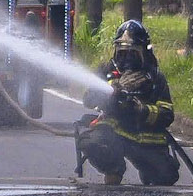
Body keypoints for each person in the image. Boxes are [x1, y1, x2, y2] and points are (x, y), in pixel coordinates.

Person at [76, 21, 180, 186]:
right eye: (122, 52)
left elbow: (167, 114)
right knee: (91, 142)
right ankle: (113, 169)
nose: (126, 58)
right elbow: (89, 99)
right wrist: (115, 90)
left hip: (145, 138)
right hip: (113, 133)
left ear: (144, 52)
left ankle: (148, 170)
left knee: (166, 177)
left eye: (132, 52)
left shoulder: (154, 77)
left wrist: (142, 109)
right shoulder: (107, 71)